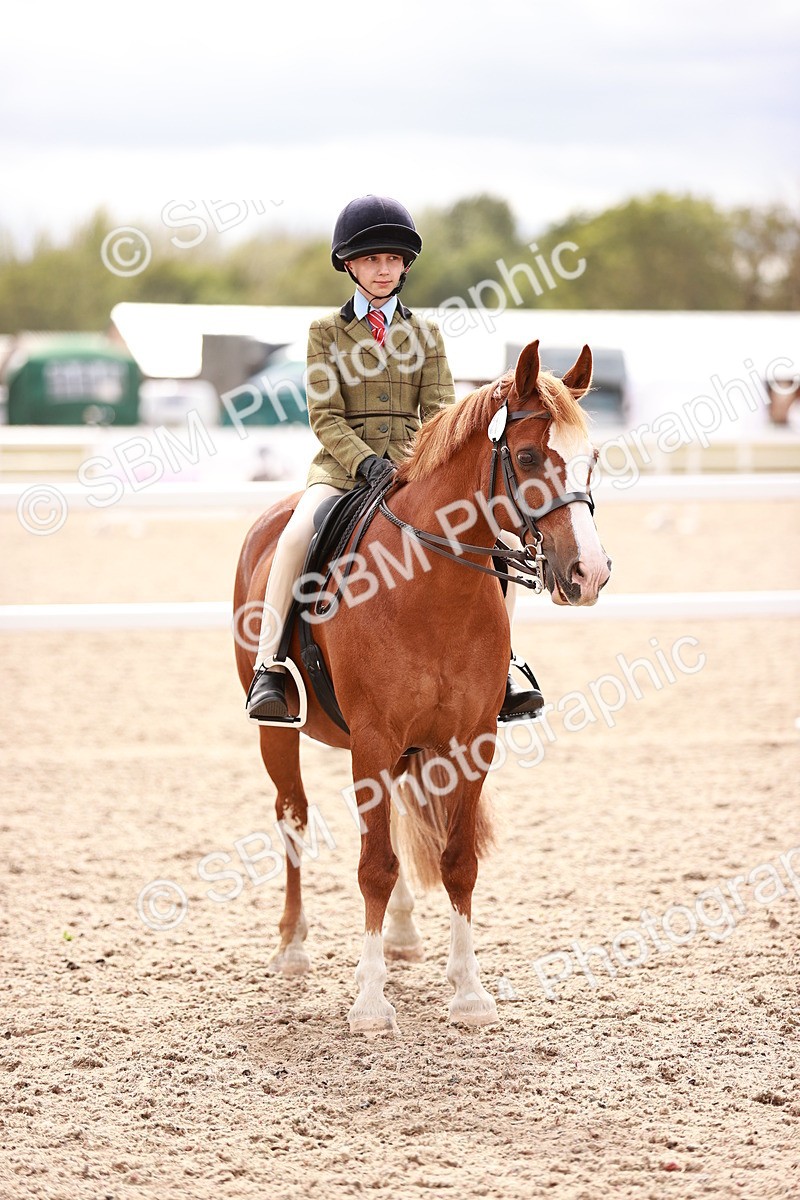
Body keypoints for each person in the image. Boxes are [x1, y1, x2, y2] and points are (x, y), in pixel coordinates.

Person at [246, 195, 543, 723]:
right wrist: (365, 463)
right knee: (294, 537)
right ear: (350, 265)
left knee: (503, 541)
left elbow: (442, 414)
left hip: (414, 470)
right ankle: (269, 667)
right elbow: (325, 416)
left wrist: (420, 463)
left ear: (405, 265)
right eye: (371, 260)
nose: (383, 270)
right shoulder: (325, 333)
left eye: (392, 260)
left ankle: (504, 665)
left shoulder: (426, 334)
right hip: (343, 470)